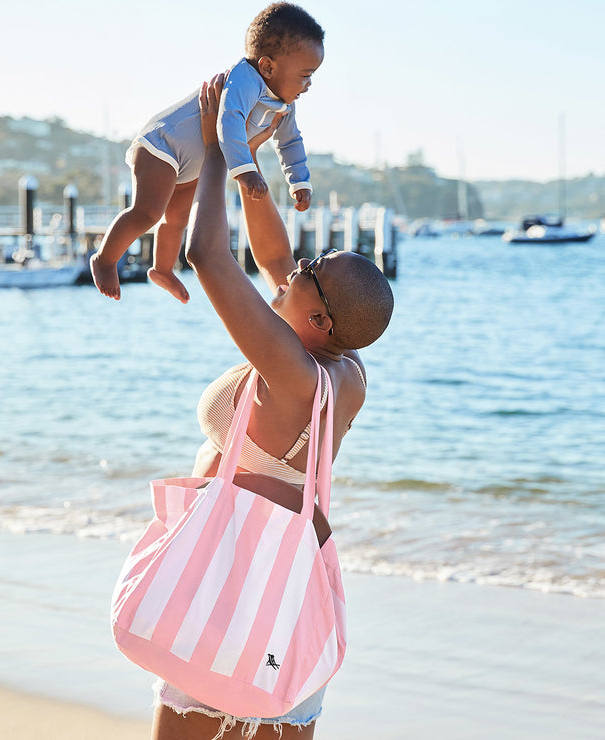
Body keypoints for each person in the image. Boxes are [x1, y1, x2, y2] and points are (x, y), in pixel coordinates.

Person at [148, 76, 394, 740]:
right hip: (288, 590)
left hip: (231, 581)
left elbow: (206, 256)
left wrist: (215, 152)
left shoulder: (289, 373)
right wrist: (253, 174)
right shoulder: (343, 367)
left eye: (309, 269)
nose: (293, 266)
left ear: (315, 315)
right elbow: (275, 255)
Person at [90, 2, 325, 304]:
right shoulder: (243, 80)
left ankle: (162, 270)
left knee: (177, 218)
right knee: (149, 212)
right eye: (304, 75)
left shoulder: (283, 103)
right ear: (267, 66)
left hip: (192, 163)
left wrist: (300, 182)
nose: (308, 85)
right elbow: (228, 121)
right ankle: (105, 259)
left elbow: (290, 142)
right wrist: (246, 171)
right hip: (162, 147)